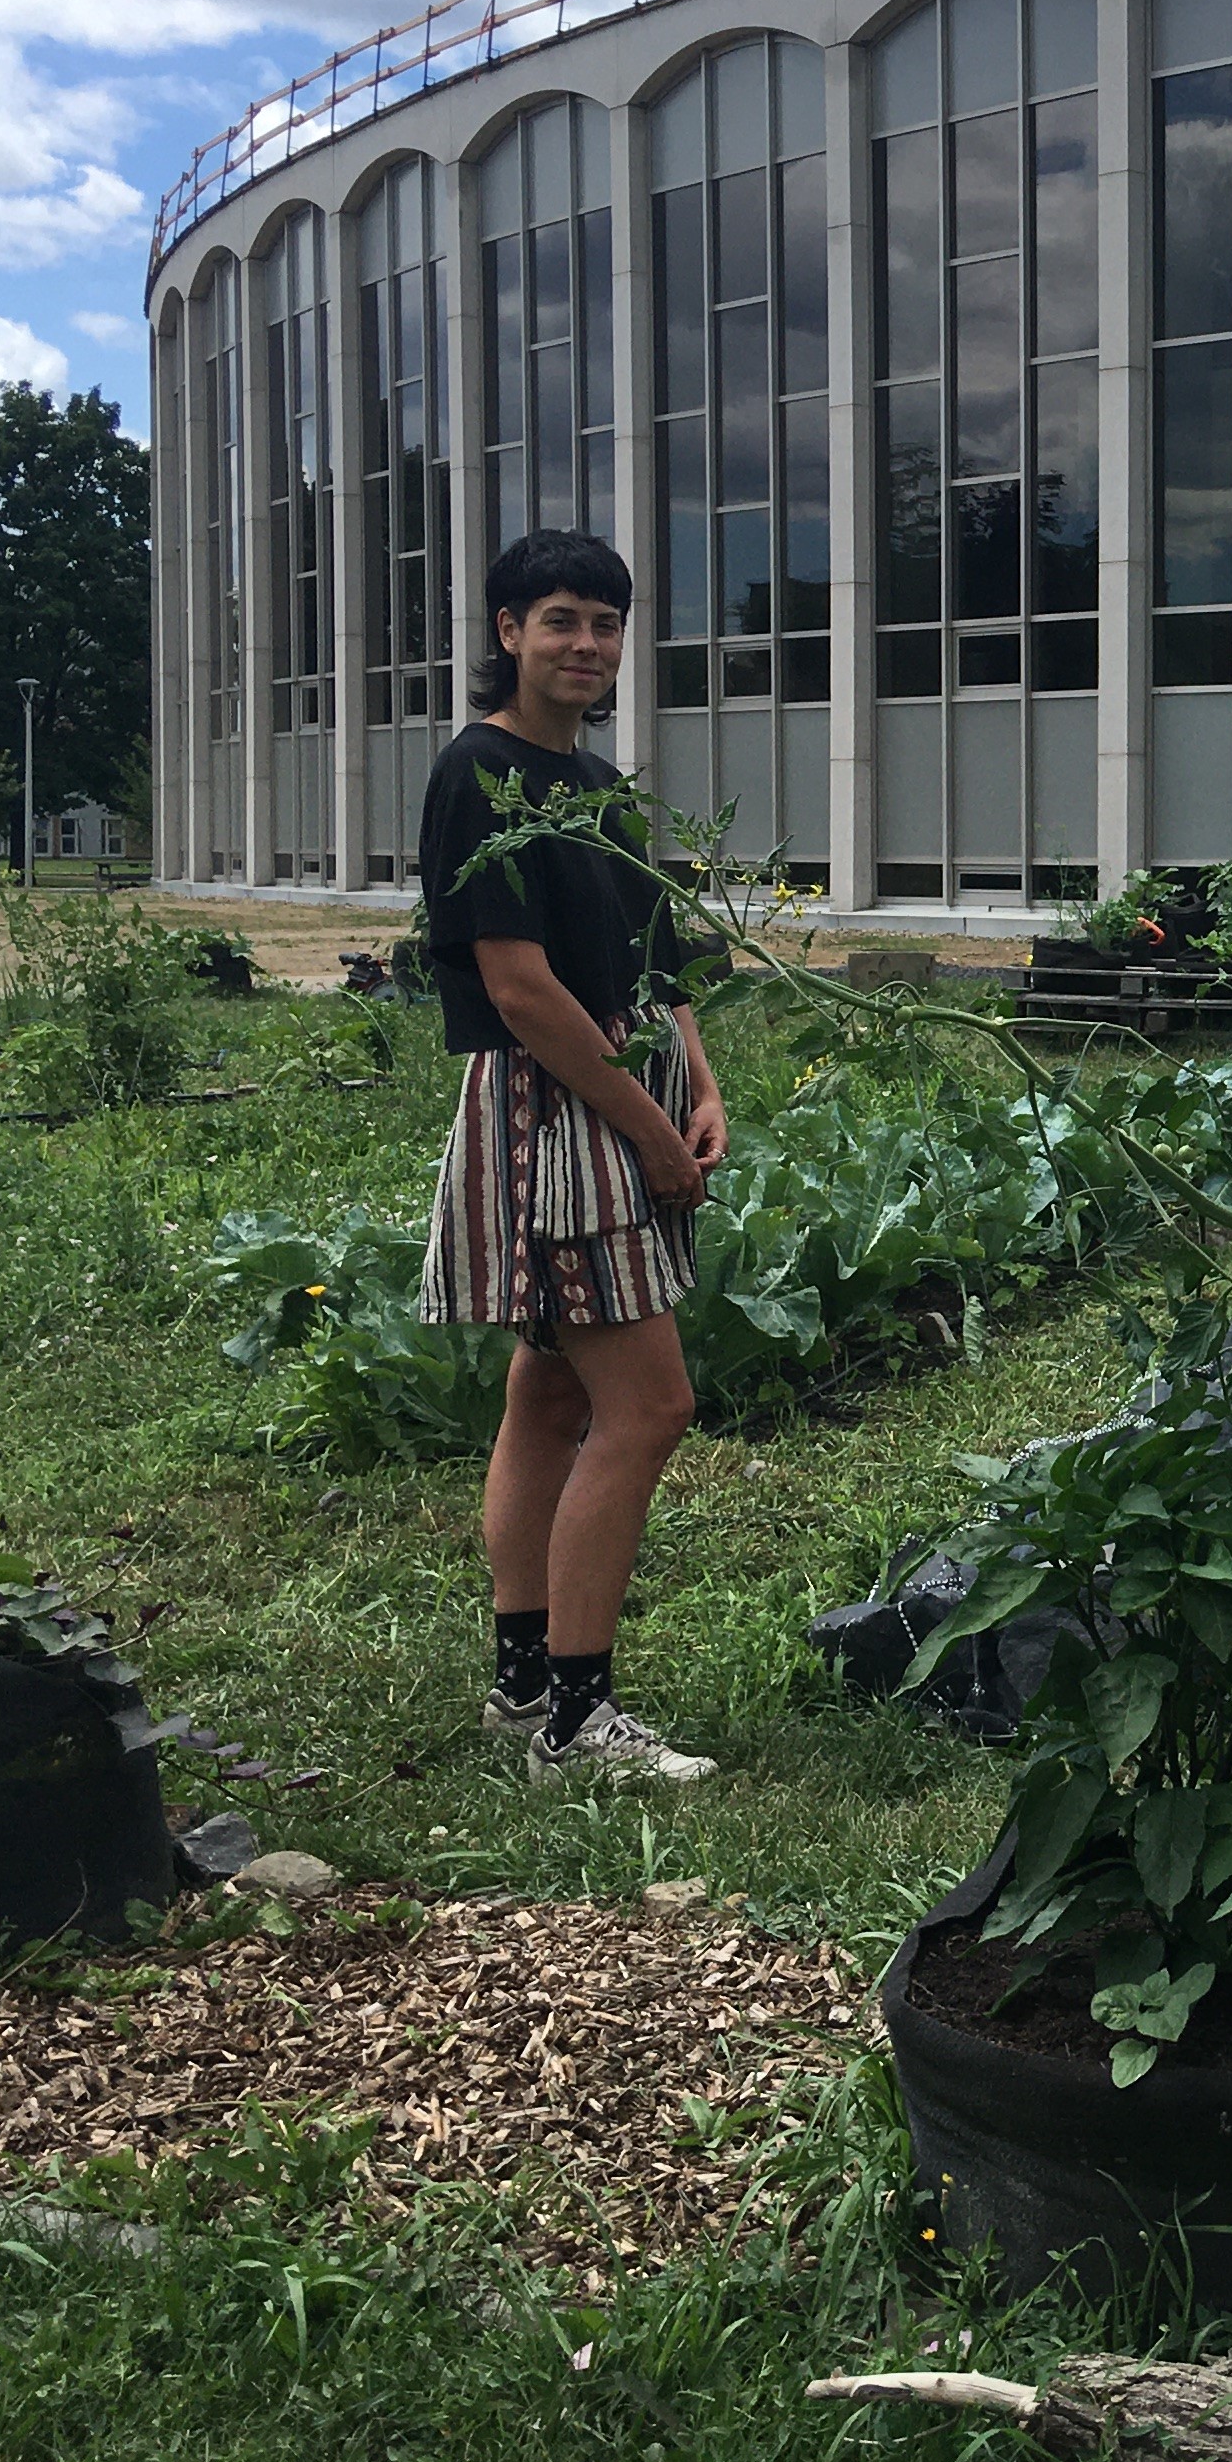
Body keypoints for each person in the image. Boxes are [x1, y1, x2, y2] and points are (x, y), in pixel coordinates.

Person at [415, 531, 728, 1784]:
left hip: (626, 1090)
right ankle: (580, 1722)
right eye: (559, 621)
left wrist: (702, 1084)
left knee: (546, 1395)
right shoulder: (476, 775)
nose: (586, 646)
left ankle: (523, 1683)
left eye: (605, 623)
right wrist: (650, 1135)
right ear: (506, 633)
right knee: (650, 1405)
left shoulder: (600, 786)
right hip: (561, 1110)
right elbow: (521, 989)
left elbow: (660, 956)